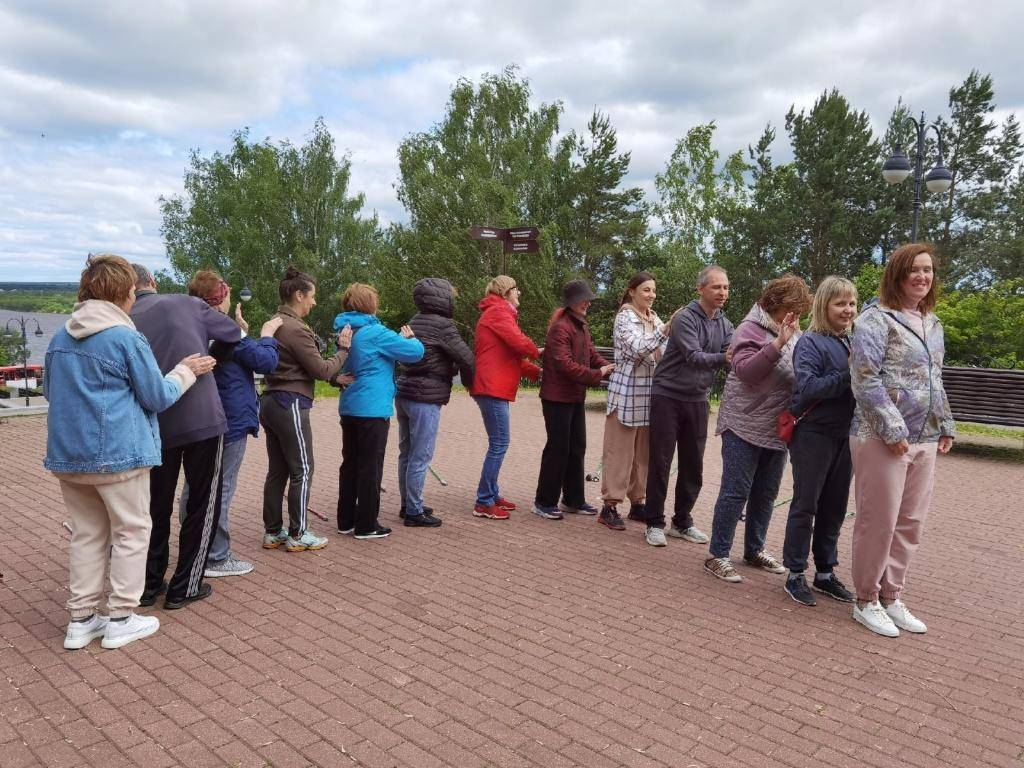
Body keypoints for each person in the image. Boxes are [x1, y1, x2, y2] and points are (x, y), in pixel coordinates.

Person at [46, 255, 213, 650]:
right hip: (118, 454)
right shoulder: (124, 337)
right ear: (123, 292)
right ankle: (121, 616)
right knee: (132, 532)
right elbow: (157, 396)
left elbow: (53, 393)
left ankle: (81, 619)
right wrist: (185, 371)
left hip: (69, 456)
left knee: (87, 535)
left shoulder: (60, 338)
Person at [848, 243, 954, 637]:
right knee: (879, 520)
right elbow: (864, 378)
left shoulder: (933, 323)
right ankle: (866, 599)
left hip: (924, 437)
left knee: (910, 521)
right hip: (880, 436)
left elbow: (935, 378)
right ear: (897, 274)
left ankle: (891, 595)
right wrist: (892, 430)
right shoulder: (875, 319)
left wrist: (945, 423)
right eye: (914, 269)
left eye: (928, 270)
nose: (922, 277)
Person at [130, 264, 245, 610]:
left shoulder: (122, 319)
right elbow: (234, 334)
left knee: (155, 505)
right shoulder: (185, 303)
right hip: (201, 417)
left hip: (154, 422)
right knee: (202, 502)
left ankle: (149, 585)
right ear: (152, 281)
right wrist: (213, 357)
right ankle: (186, 585)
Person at [704, 274, 811, 583]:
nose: (796, 316)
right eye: (793, 309)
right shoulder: (749, 329)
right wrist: (778, 343)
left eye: (800, 312)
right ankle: (717, 555)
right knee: (735, 491)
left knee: (766, 493)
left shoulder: (795, 332)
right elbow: (746, 371)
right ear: (777, 304)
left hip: (776, 429)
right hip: (743, 424)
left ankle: (754, 549)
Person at [177, 271, 282, 578]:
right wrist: (266, 334)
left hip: (197, 416)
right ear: (219, 298)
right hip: (229, 418)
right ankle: (216, 556)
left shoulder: (189, 326)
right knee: (221, 487)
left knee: (195, 484)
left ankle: (194, 545)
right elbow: (266, 362)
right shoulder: (226, 331)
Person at [639, 266, 733, 547]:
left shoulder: (726, 324)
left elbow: (733, 358)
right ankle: (654, 523)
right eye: (716, 287)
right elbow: (694, 356)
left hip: (698, 400)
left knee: (693, 464)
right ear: (700, 289)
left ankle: (681, 522)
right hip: (667, 396)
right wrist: (726, 357)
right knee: (661, 461)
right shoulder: (685, 318)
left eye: (726, 287)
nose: (722, 292)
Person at [260, 266, 352, 553]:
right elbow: (320, 369)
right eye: (312, 296)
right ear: (299, 295)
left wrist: (335, 378)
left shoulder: (275, 322)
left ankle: (273, 532)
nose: (314, 302)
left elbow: (295, 365)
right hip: (290, 403)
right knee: (303, 468)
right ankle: (298, 533)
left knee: (278, 471)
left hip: (271, 400)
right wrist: (343, 350)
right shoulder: (296, 329)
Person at [781, 276, 858, 606]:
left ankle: (825, 572)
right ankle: (795, 573)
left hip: (845, 434)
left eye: (852, 303)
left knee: (835, 506)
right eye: (840, 304)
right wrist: (849, 373)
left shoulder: (850, 341)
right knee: (806, 504)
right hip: (814, 434)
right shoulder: (810, 342)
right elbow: (809, 387)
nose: (848, 310)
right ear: (824, 306)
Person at [334, 283, 424, 539]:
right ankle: (367, 524)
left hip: (349, 405)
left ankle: (346, 520)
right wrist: (410, 338)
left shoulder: (344, 330)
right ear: (370, 304)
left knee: (350, 464)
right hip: (372, 408)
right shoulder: (376, 332)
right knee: (370, 466)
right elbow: (415, 353)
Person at [395, 278, 475, 528]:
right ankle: (414, 512)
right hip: (425, 396)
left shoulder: (414, 320)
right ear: (442, 298)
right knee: (421, 455)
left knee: (407, 453)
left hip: (404, 392)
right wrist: (469, 382)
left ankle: (408, 504)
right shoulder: (443, 326)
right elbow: (467, 358)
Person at [533, 280, 613, 520]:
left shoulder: (581, 325)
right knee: (558, 448)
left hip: (575, 396)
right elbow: (565, 365)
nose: (587, 303)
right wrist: (598, 374)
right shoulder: (561, 328)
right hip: (556, 398)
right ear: (571, 302)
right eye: (583, 299)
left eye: (588, 299)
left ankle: (573, 500)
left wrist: (609, 367)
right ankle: (543, 502)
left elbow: (591, 354)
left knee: (577, 448)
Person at [599, 272, 669, 530]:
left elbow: (664, 351)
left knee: (643, 455)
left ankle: (638, 502)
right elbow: (638, 347)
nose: (651, 295)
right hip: (626, 394)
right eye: (646, 290)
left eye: (653, 290)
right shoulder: (624, 317)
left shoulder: (653, 317)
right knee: (619, 452)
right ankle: (609, 506)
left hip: (649, 395)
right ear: (632, 292)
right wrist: (665, 330)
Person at [468, 276, 541, 520]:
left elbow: (510, 355)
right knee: (499, 444)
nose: (519, 293)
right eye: (516, 289)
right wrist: (538, 352)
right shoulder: (499, 312)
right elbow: (520, 344)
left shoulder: (498, 313)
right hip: (491, 387)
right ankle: (484, 502)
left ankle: (492, 493)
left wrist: (537, 372)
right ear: (506, 291)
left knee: (498, 443)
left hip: (492, 386)